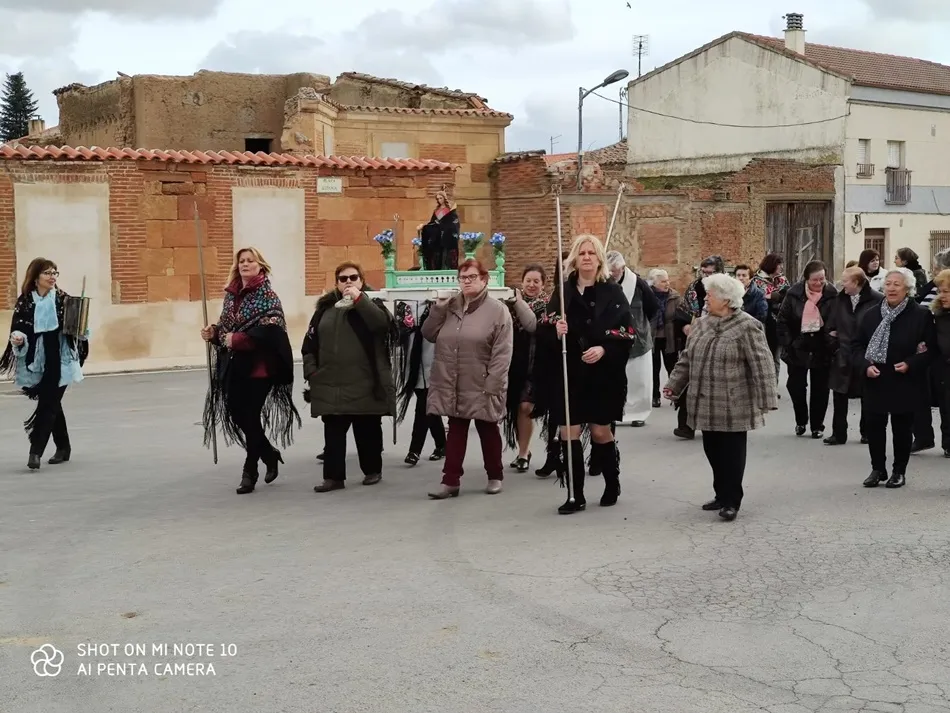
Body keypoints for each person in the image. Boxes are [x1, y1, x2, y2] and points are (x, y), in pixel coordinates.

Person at [663, 273, 778, 521]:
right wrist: (674, 385)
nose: (706, 299)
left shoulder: (748, 325)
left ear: (726, 300)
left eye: (710, 295)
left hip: (734, 401)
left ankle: (731, 500)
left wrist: (767, 398)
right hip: (705, 400)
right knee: (712, 449)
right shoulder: (702, 324)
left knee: (732, 453)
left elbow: (763, 363)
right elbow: (687, 358)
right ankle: (720, 494)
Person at [537, 234, 636, 514]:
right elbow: (545, 326)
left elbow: (627, 332)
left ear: (600, 259)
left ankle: (611, 482)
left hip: (602, 375)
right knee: (568, 432)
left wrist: (604, 349)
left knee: (600, 431)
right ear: (575, 260)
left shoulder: (613, 292)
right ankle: (574, 494)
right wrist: (556, 332)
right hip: (569, 373)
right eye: (582, 253)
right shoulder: (563, 292)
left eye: (592, 253)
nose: (587, 257)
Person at [201, 248, 301, 495]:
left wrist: (236, 339)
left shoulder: (268, 295)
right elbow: (225, 329)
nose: (245, 264)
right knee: (238, 414)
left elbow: (271, 331)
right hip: (235, 367)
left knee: (251, 414)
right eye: (241, 261)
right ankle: (269, 453)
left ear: (260, 265)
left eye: (250, 260)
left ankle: (250, 471)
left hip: (260, 368)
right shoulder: (231, 295)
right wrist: (213, 333)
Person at [303, 262, 397, 493]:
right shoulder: (324, 309)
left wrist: (359, 299)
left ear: (361, 281)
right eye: (343, 278)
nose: (348, 282)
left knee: (367, 429)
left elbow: (382, 325)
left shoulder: (371, 304)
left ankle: (372, 470)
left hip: (365, 380)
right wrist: (311, 371)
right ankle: (333, 478)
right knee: (333, 432)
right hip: (330, 381)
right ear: (336, 283)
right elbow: (310, 343)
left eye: (353, 278)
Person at [424, 259, 513, 499]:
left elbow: (502, 351)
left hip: (482, 381)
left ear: (484, 280)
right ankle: (450, 480)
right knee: (456, 429)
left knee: (487, 427)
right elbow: (429, 334)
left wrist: (494, 383)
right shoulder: (450, 306)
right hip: (453, 380)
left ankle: (495, 475)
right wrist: (439, 309)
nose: (467, 282)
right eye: (463, 278)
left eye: (472, 277)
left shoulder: (497, 310)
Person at [1, 258, 89, 470]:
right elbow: (19, 327)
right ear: (36, 277)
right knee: (52, 402)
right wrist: (18, 338)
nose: (52, 277)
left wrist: (81, 328)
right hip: (37, 358)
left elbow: (78, 327)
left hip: (62, 357)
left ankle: (35, 452)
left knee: (48, 402)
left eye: (54, 273)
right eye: (48, 273)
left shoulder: (63, 299)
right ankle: (64, 446)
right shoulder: (25, 301)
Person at [853, 267, 935, 488]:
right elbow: (857, 346)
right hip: (876, 378)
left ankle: (899, 471)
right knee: (874, 427)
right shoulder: (871, 315)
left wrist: (910, 363)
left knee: (901, 429)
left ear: (907, 289)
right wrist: (864, 365)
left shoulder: (920, 315)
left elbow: (930, 350)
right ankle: (878, 469)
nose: (891, 288)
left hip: (905, 380)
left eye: (897, 285)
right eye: (888, 284)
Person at [777, 260, 838, 438]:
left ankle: (817, 425)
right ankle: (801, 421)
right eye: (814, 280)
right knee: (796, 386)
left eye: (822, 279)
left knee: (820, 389)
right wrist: (789, 342)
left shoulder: (832, 295)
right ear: (806, 280)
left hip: (822, 347)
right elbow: (782, 321)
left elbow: (838, 320)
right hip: (798, 346)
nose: (819, 283)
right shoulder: (794, 294)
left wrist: (832, 341)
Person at [824, 266, 883, 446]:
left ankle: (867, 432)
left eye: (845, 280)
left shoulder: (877, 300)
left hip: (866, 353)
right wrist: (834, 345)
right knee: (839, 394)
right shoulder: (840, 299)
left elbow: (881, 328)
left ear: (856, 282)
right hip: (842, 352)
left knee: (867, 394)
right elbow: (830, 325)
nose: (842, 283)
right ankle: (838, 433)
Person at [504, 265, 549, 472]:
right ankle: (524, 450)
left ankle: (524, 453)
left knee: (525, 406)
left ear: (543, 285)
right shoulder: (507, 305)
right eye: (528, 281)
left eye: (536, 281)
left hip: (537, 364)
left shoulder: (547, 305)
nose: (531, 285)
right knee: (514, 407)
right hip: (512, 365)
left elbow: (534, 327)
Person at [606, 250, 659, 427]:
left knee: (639, 378)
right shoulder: (604, 283)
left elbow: (653, 307)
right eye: (609, 271)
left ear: (622, 268)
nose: (612, 274)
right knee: (615, 378)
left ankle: (638, 414)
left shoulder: (638, 284)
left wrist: (640, 325)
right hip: (613, 337)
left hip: (638, 337)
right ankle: (616, 411)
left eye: (614, 270)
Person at [394, 299, 446, 466]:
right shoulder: (404, 305)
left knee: (423, 406)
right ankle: (442, 445)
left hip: (434, 363)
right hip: (412, 365)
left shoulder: (436, 303)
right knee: (429, 408)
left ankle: (414, 450)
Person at [647, 269, 685, 408]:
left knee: (673, 368)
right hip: (653, 337)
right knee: (654, 369)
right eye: (663, 281)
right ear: (654, 283)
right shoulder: (647, 296)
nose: (667, 283)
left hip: (670, 337)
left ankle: (674, 394)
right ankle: (654, 396)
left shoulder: (675, 297)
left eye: (667, 280)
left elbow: (680, 316)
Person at [752, 253, 790, 385]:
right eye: (779, 265)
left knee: (776, 357)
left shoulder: (782, 279)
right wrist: (776, 296)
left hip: (779, 322)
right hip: (764, 322)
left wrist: (774, 296)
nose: (781, 268)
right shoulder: (757, 280)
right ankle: (763, 385)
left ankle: (773, 386)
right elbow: (761, 297)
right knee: (763, 356)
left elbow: (787, 295)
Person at [929, 268, 950, 457]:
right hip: (943, 368)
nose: (942, 295)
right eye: (940, 291)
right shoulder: (938, 314)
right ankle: (948, 444)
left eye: (946, 291)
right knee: (946, 406)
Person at [417, 191, 460, 270]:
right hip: (437, 238)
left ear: (444, 198)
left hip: (446, 236)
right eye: (438, 199)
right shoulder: (436, 211)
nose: (439, 200)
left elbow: (453, 224)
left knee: (446, 256)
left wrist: (443, 226)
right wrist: (424, 226)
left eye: (441, 198)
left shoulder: (450, 211)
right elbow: (432, 223)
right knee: (436, 255)